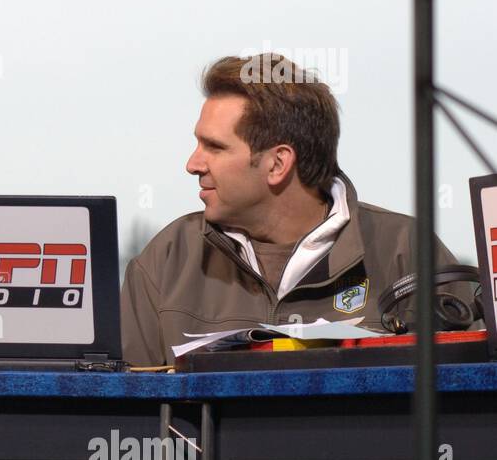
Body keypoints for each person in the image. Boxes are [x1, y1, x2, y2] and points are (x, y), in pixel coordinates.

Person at [121, 53, 465, 368]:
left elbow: (470, 398)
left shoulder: (406, 251)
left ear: (278, 164)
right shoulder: (165, 261)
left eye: (214, 147)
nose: (192, 164)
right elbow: (124, 411)